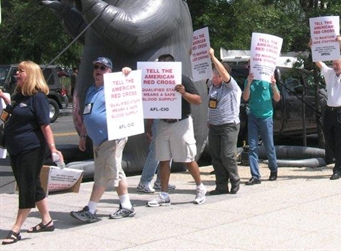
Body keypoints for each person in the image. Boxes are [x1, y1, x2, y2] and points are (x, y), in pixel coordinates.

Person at [0, 61, 62, 244]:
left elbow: (45, 126)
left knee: (26, 186)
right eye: (17, 71)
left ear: (31, 75)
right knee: (33, 184)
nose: (17, 74)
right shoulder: (19, 96)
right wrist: (5, 100)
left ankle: (16, 229)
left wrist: (53, 148)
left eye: (21, 71)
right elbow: (7, 115)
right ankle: (47, 220)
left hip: (32, 148)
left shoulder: (39, 98)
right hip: (15, 148)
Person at [71, 57, 135, 223]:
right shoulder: (91, 90)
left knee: (103, 173)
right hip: (98, 140)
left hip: (112, 138)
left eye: (103, 68)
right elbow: (87, 113)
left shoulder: (115, 86)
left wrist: (126, 74)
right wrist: (83, 135)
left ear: (110, 72)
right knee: (115, 171)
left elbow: (130, 88)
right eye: (96, 67)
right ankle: (126, 206)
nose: (98, 70)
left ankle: (91, 209)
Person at [146, 54, 206, 206]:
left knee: (187, 159)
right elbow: (151, 102)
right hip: (163, 123)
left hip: (181, 123)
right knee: (163, 160)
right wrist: (148, 124)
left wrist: (184, 93)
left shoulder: (183, 79)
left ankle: (200, 187)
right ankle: (164, 194)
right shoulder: (155, 81)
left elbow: (198, 100)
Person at [311, 35, 341, 180]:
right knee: (329, 138)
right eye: (334, 64)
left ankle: (339, 169)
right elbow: (318, 62)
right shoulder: (329, 73)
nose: (335, 66)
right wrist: (312, 47)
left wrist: (340, 44)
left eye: (337, 64)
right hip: (330, 110)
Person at [207, 47, 242, 195]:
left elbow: (223, 72)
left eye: (217, 76)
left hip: (228, 125)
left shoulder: (231, 86)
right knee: (216, 157)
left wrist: (213, 57)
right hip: (214, 126)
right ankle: (221, 186)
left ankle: (235, 180)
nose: (214, 79)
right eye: (213, 76)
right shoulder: (211, 86)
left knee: (227, 155)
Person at [243, 70, 281, 185]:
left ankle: (273, 169)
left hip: (266, 117)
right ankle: (255, 176)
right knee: (252, 146)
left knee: (269, 145)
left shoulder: (267, 79)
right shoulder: (248, 80)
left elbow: (277, 98)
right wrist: (248, 84)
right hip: (253, 116)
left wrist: (273, 85)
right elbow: (245, 98)